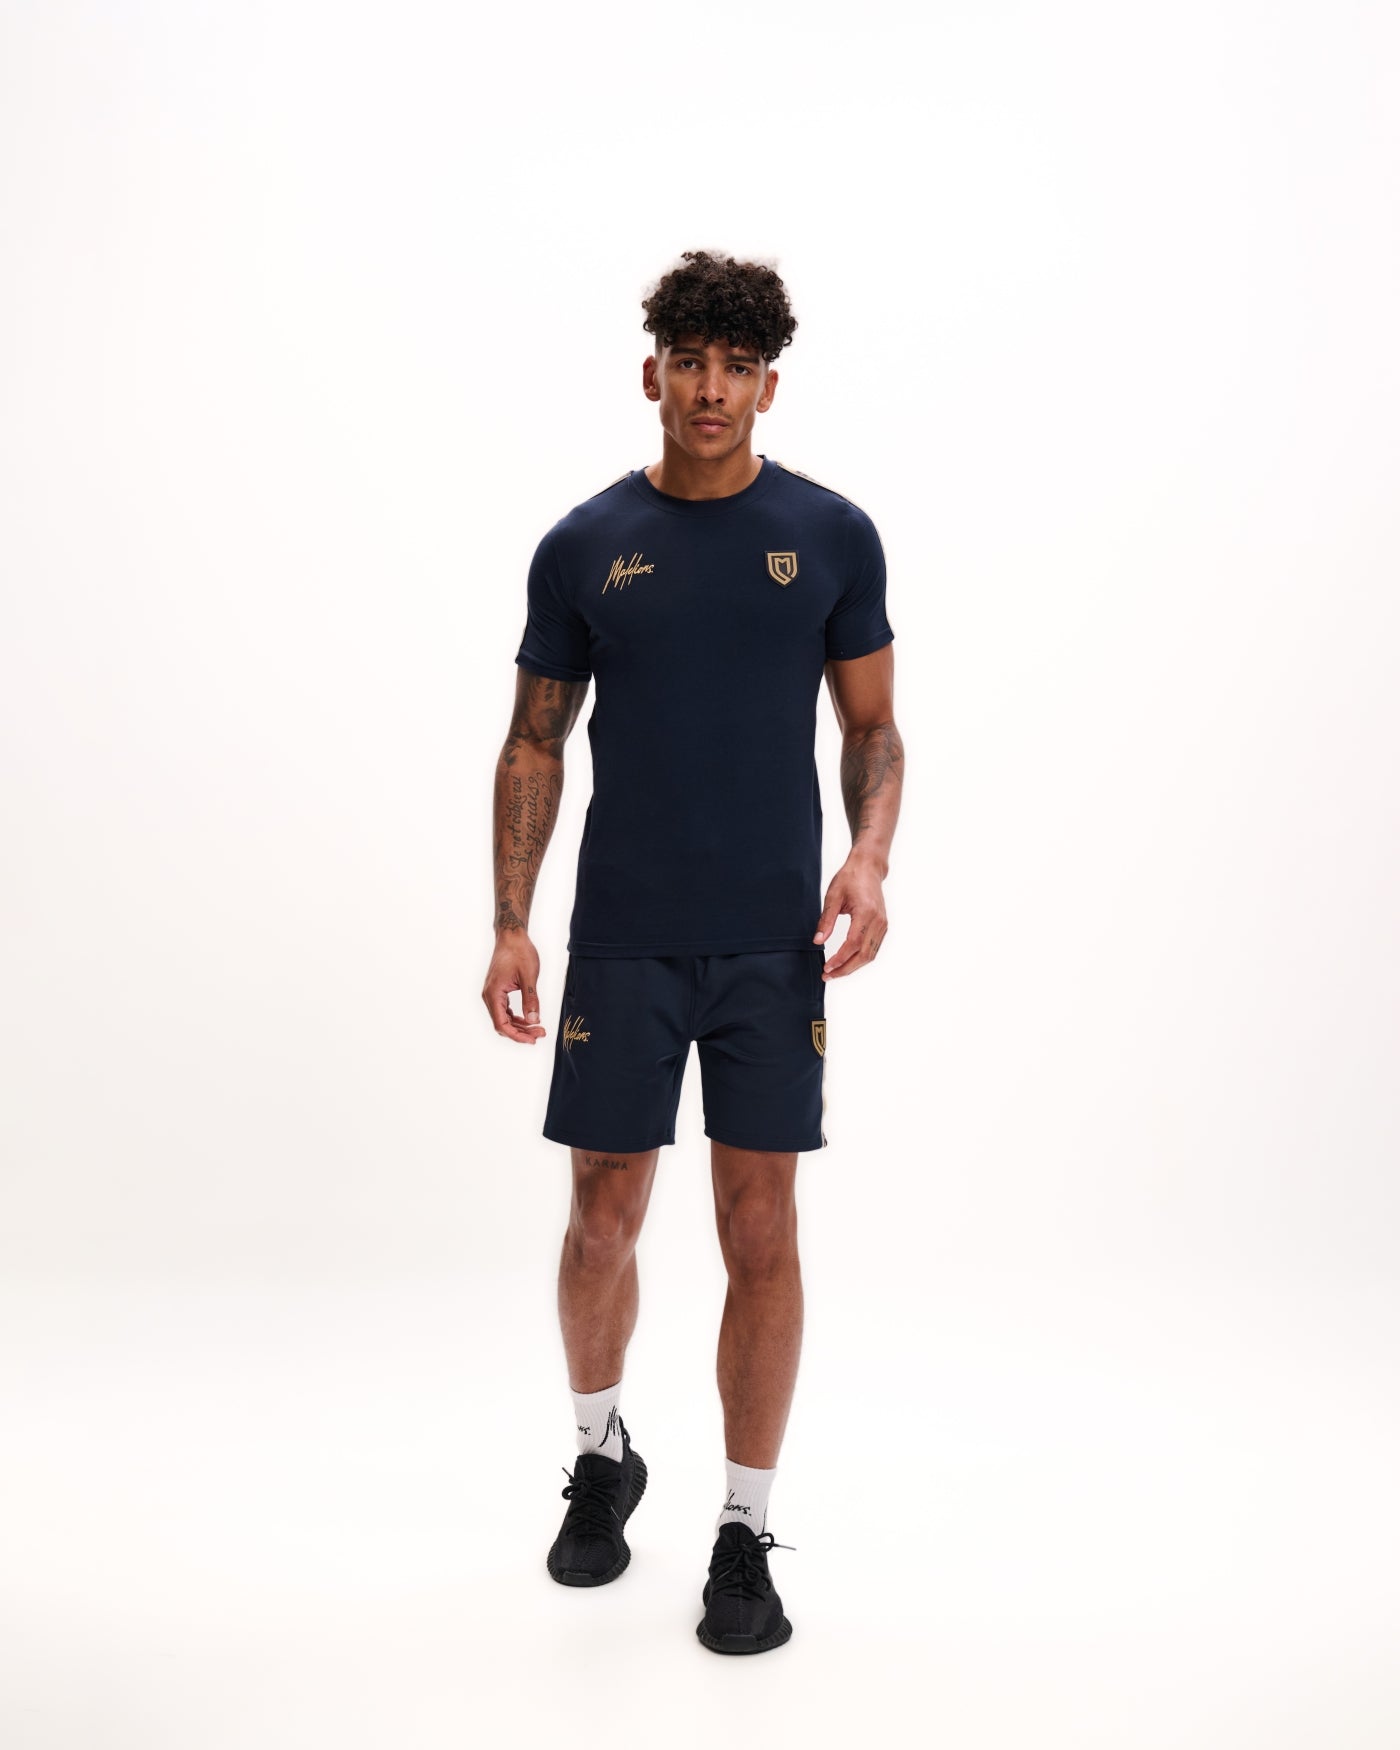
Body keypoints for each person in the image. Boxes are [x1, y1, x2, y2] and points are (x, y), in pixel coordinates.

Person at [484, 249, 903, 1654]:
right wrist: (510, 922)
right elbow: (534, 740)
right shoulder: (585, 544)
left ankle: (743, 1527)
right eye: (690, 361)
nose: (711, 388)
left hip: (773, 944)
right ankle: (602, 1452)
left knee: (759, 1228)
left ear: (768, 386)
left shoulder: (831, 535)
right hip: (623, 941)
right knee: (601, 1219)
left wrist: (869, 856)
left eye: (738, 367)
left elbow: (871, 726)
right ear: (651, 372)